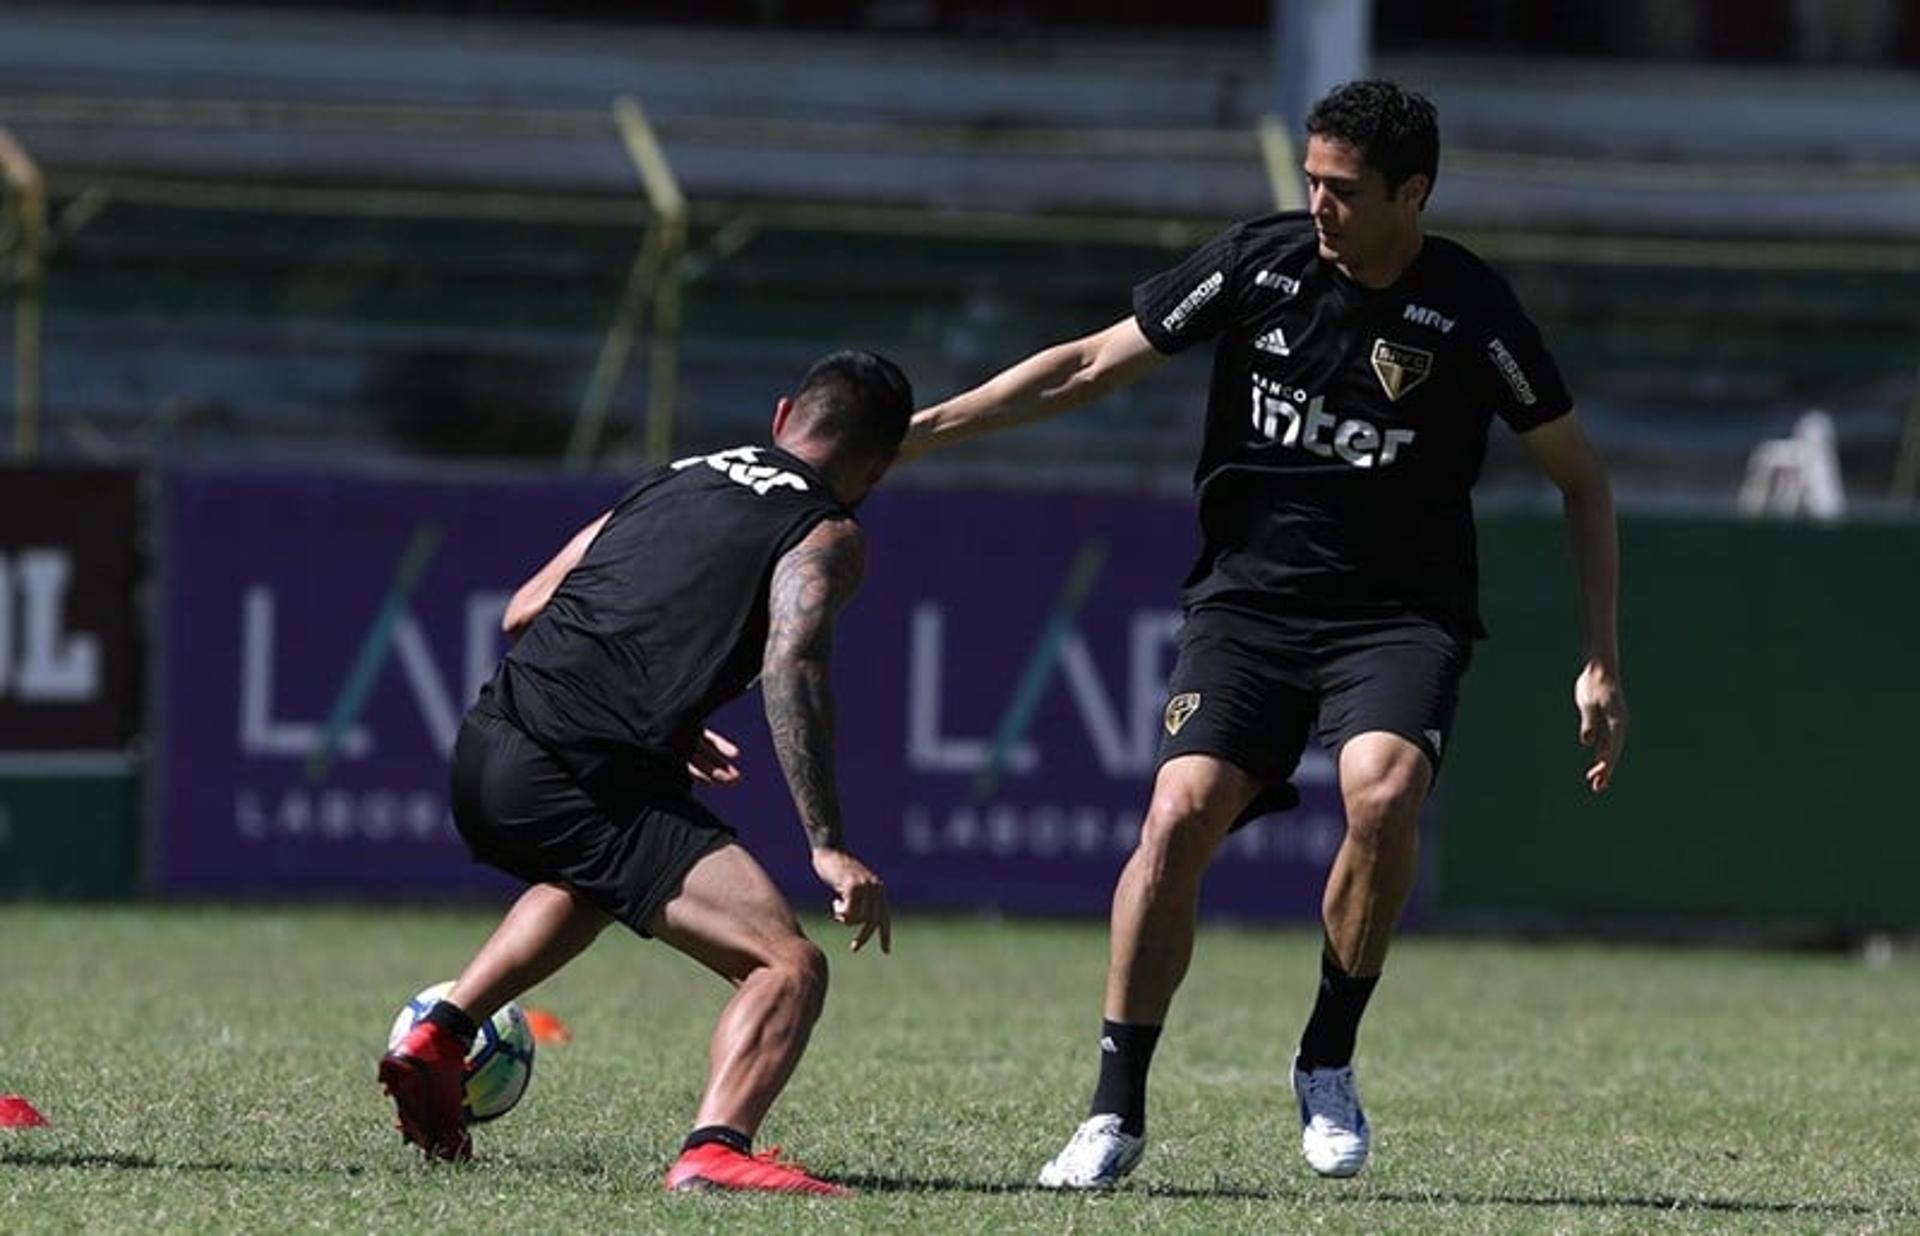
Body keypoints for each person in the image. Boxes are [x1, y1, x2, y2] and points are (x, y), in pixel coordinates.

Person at [904, 80, 1627, 1187]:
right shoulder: (1261, 264)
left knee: (1383, 797)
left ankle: (1326, 1060)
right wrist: (921, 433)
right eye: (1312, 181)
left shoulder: (1474, 312)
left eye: (1343, 189)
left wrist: (1598, 658)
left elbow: (1583, 480)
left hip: (1399, 617)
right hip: (1248, 606)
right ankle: (1114, 1112)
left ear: (1413, 194)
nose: (1319, 204)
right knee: (1177, 816)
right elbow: (1093, 363)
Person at [380, 350, 913, 1196]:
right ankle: (716, 1147)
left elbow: (525, 610)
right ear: (877, 470)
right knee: (787, 967)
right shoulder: (827, 532)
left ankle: (440, 1034)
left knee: (595, 880)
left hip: (488, 749)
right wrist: (828, 846)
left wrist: (664, 713)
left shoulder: (673, 477)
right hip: (587, 771)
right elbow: (793, 667)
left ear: (782, 418)